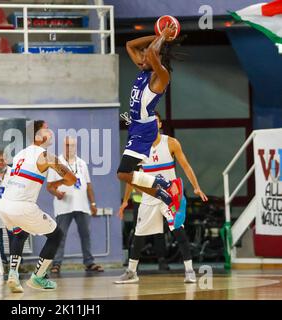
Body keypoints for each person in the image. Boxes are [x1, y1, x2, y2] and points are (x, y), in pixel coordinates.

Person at [116, 112, 208, 284]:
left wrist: (196, 187)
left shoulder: (171, 143)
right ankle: (131, 272)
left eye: (155, 122)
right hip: (149, 196)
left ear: (159, 124)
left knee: (179, 231)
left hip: (170, 195)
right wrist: (125, 201)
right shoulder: (138, 148)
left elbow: (186, 166)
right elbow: (131, 178)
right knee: (139, 235)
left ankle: (189, 270)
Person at [116, 23, 184, 229]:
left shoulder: (161, 76)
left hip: (145, 128)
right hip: (136, 127)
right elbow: (130, 45)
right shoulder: (146, 68)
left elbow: (153, 52)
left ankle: (165, 191)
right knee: (124, 174)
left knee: (122, 173)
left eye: (146, 56)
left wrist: (162, 37)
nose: (141, 58)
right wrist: (156, 34)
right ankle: (165, 188)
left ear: (156, 59)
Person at [0, 120, 77, 293]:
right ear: (38, 136)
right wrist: (61, 181)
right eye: (46, 129)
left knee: (21, 232)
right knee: (56, 235)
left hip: (4, 204)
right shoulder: (46, 156)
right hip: (22, 206)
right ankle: (38, 277)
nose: (50, 132)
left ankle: (13, 273)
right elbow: (72, 180)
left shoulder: (20, 154)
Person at [47, 136, 103, 273]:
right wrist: (57, 193)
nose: (69, 148)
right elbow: (49, 187)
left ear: (75, 147)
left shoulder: (82, 163)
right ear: (63, 146)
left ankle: (89, 262)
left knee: (86, 235)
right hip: (64, 206)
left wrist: (93, 203)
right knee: (60, 235)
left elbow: (88, 185)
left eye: (71, 145)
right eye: (66, 145)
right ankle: (56, 264)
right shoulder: (57, 163)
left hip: (82, 205)